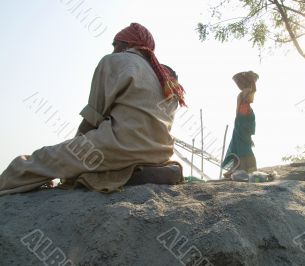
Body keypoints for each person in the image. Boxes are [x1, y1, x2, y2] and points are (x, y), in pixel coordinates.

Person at [0, 23, 186, 196]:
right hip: (161, 153)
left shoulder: (115, 61)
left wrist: (73, 148)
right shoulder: (166, 78)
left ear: (126, 44)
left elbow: (93, 117)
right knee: (89, 167)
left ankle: (5, 184)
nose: (113, 50)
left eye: (115, 44)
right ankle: (139, 171)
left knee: (42, 159)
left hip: (122, 146)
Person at [222, 71, 258, 178]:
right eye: (252, 94)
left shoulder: (244, 103)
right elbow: (242, 124)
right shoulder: (244, 101)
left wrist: (249, 137)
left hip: (241, 132)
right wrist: (252, 80)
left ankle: (235, 172)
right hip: (241, 132)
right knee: (245, 154)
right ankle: (240, 173)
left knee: (240, 153)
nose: (253, 96)